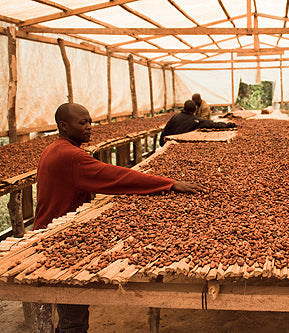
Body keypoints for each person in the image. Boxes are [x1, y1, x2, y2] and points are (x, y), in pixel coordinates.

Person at [33, 102, 204, 333]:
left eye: (90, 122)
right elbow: (115, 176)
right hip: (58, 240)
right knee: (73, 320)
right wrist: (168, 183)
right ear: (63, 125)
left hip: (50, 229)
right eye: (82, 122)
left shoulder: (52, 149)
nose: (89, 127)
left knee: (69, 314)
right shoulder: (71, 156)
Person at [159, 100, 236, 146]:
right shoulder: (195, 120)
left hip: (168, 144)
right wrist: (229, 125)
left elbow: (165, 131)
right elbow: (212, 124)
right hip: (180, 145)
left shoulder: (175, 116)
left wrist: (162, 143)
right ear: (195, 110)